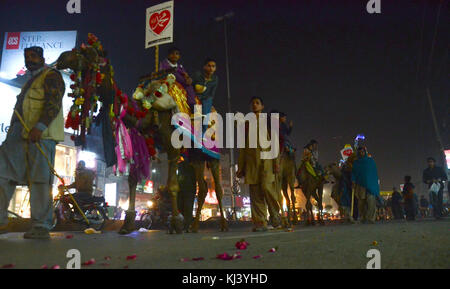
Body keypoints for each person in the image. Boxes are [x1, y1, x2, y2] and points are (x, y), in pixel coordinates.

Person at [0, 46, 65, 239]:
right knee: (3, 174)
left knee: (39, 180)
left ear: (42, 58)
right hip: (17, 136)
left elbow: (54, 103)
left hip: (40, 136)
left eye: (33, 56)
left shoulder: (51, 76)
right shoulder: (30, 81)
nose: (30, 59)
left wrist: (40, 126)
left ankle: (41, 226)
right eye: (27, 56)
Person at [237, 96, 281, 231]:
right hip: (251, 163)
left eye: (257, 103)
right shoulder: (246, 124)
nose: (255, 105)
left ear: (262, 106)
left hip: (267, 160)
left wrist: (276, 162)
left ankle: (274, 213)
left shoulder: (268, 122)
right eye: (253, 104)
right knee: (255, 193)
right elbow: (243, 146)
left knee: (267, 188)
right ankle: (260, 222)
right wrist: (241, 166)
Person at [351, 146, 380, 224]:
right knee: (361, 203)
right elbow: (353, 173)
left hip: (371, 185)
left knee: (371, 202)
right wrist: (353, 181)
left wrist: (373, 182)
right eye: (360, 152)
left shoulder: (370, 161)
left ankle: (371, 218)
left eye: (363, 151)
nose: (361, 153)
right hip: (360, 185)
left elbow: (374, 173)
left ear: (365, 152)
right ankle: (362, 218)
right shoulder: (356, 163)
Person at [192, 58, 219, 131]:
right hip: (194, 97)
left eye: (213, 66)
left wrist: (209, 103)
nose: (211, 68)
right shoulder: (197, 75)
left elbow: (212, 93)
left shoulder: (215, 79)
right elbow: (191, 85)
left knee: (208, 102)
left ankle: (202, 134)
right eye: (209, 66)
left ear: (215, 68)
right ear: (204, 67)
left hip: (206, 99)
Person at [176, 155, 196, 232]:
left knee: (184, 208)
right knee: (187, 209)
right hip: (187, 190)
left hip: (184, 190)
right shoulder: (190, 167)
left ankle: (185, 226)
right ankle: (186, 226)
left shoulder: (181, 166)